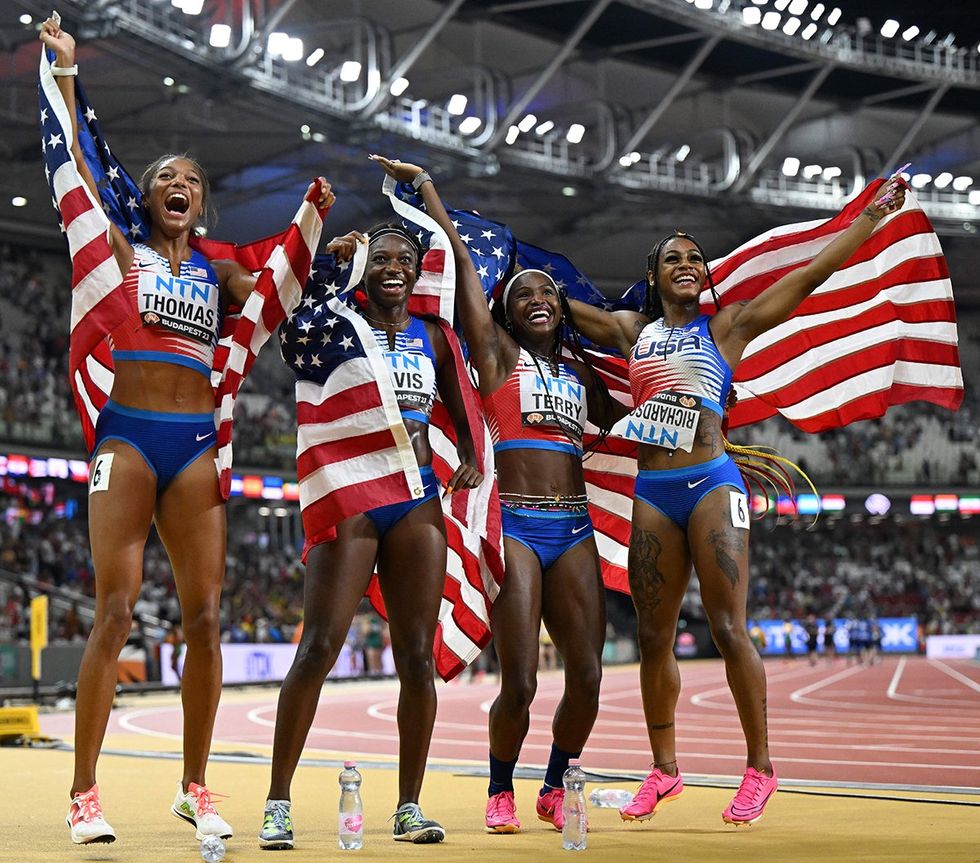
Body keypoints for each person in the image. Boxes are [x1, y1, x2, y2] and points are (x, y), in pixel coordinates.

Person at [39, 17, 335, 847]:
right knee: (116, 610)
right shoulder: (121, 251)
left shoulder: (219, 268)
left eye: (193, 179)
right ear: (150, 195)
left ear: (203, 202)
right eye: (166, 176)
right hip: (128, 439)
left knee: (206, 618)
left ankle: (196, 785)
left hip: (197, 446)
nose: (179, 183)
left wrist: (324, 240)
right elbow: (83, 170)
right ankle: (83, 793)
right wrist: (65, 75)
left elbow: (279, 282)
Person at [566, 176, 907, 826]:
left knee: (727, 626)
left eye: (696, 258)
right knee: (652, 634)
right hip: (652, 490)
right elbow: (545, 301)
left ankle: (761, 767)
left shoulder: (728, 326)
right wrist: (477, 265)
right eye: (675, 258)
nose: (689, 265)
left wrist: (868, 222)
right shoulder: (629, 328)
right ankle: (664, 769)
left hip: (712, 482)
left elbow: (806, 280)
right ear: (654, 274)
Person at [367, 155, 625, 835]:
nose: (536, 298)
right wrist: (427, 189)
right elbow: (457, 257)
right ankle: (500, 784)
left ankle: (553, 777)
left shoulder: (578, 374)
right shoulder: (497, 355)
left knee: (590, 676)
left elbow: (637, 397)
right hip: (516, 523)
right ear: (506, 311)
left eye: (547, 293)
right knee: (522, 681)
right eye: (523, 294)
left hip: (575, 527)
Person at [258, 220, 484, 849]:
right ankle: (277, 802)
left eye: (402, 259)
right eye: (380, 258)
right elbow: (289, 317)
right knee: (320, 645)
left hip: (415, 496)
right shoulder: (339, 324)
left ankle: (409, 806)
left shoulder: (432, 335)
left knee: (415, 653)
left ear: (415, 271)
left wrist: (466, 450)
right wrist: (332, 267)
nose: (391, 267)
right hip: (354, 488)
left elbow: (460, 407)